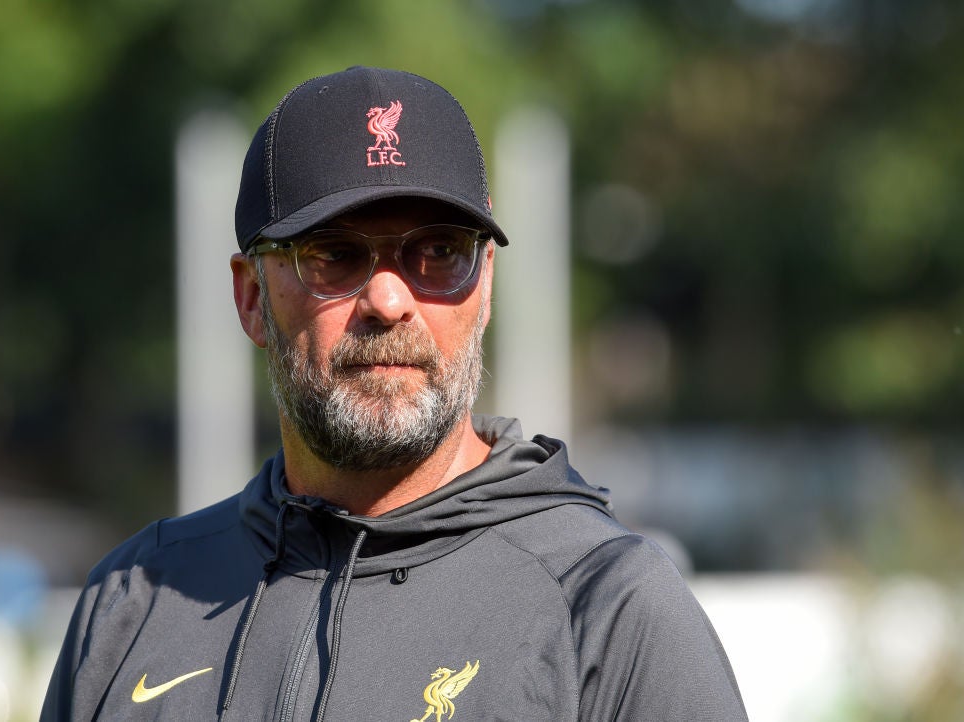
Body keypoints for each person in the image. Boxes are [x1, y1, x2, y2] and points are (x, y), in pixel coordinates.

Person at [42, 66, 747, 721]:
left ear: (486, 285)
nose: (388, 299)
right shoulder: (134, 602)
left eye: (438, 253)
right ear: (252, 296)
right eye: (335, 254)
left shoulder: (608, 608)